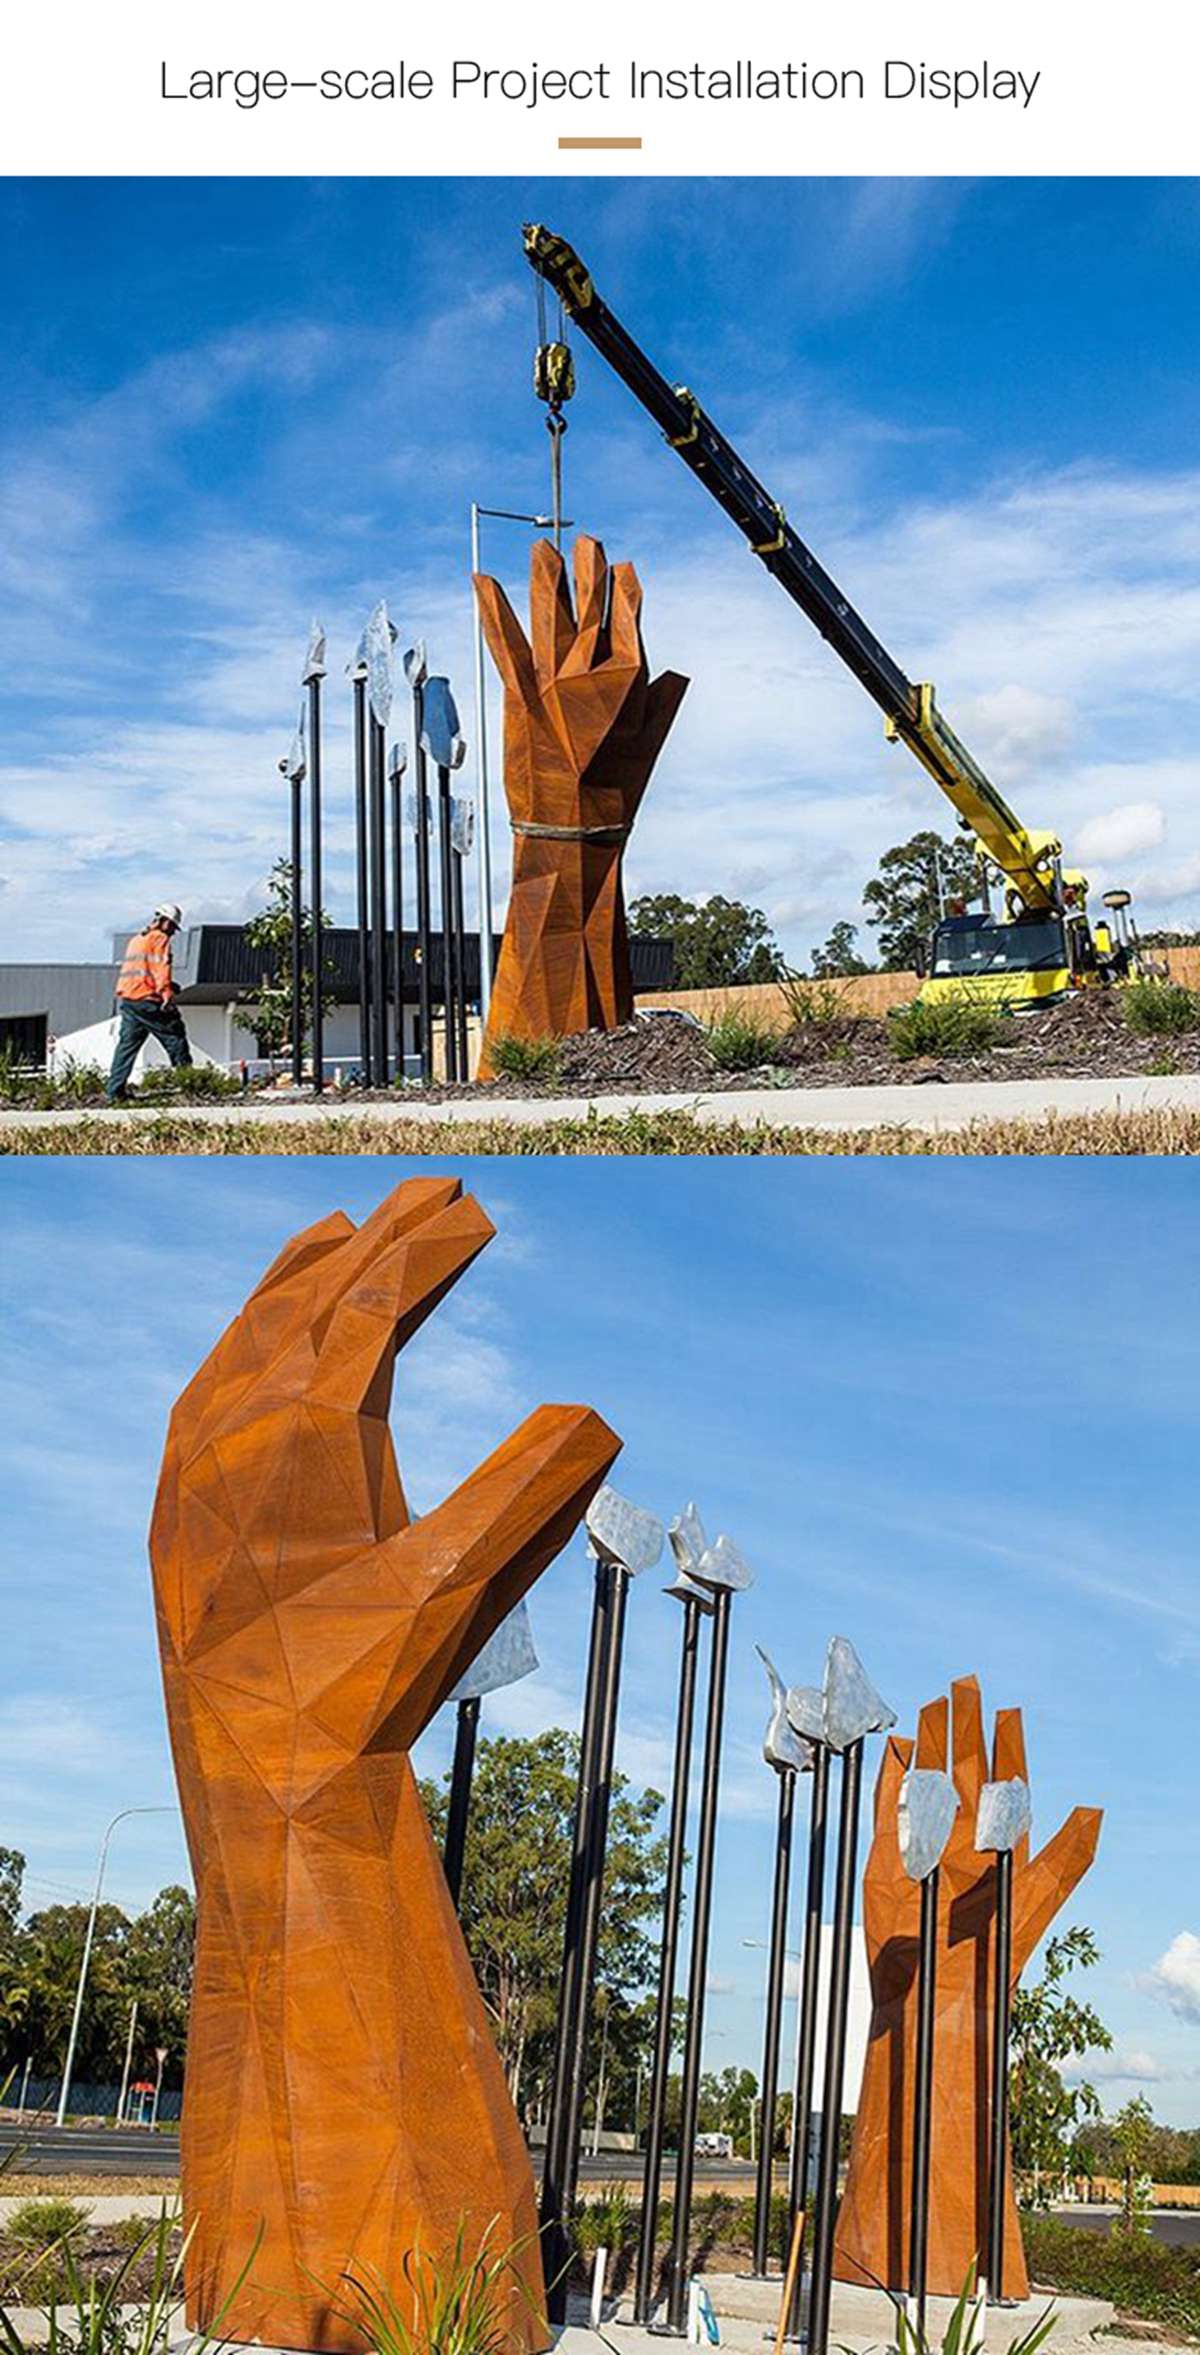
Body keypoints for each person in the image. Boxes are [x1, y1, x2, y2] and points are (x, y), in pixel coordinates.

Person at [106, 901, 193, 1101]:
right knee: (176, 1037)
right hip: (149, 1001)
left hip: (130, 1000)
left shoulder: (136, 940)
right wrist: (166, 995)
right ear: (162, 921)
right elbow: (160, 969)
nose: (172, 931)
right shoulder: (159, 939)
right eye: (171, 926)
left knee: (126, 1047)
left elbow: (143, 971)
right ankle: (189, 1084)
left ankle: (115, 1091)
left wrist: (170, 985)